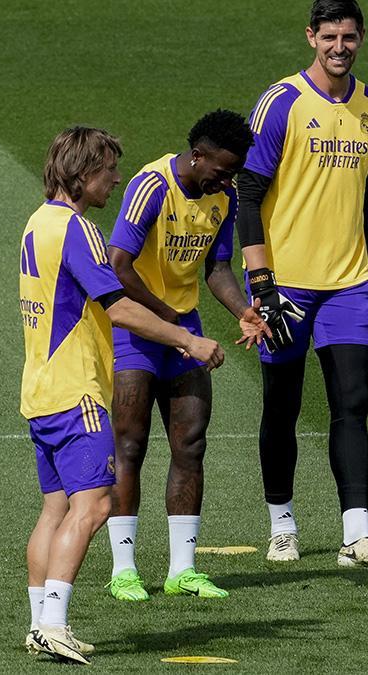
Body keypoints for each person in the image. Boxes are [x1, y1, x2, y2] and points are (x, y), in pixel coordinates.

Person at [21, 127, 223, 663]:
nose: (115, 178)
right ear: (84, 173)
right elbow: (117, 305)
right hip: (76, 391)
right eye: (108, 169)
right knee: (95, 504)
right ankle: (56, 623)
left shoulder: (35, 223)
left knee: (55, 509)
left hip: (39, 390)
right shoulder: (77, 228)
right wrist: (186, 338)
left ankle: (39, 620)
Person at [236, 0, 368, 568]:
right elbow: (249, 194)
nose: (340, 46)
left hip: (348, 284)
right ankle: (281, 524)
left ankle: (355, 535)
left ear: (362, 37)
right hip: (285, 286)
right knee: (281, 405)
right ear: (311, 36)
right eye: (329, 36)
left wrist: (363, 264)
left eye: (349, 36)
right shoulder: (281, 102)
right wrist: (261, 285)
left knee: (352, 402)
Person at [104, 110, 268, 601]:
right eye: (221, 168)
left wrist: (243, 311)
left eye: (234, 171)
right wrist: (165, 317)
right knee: (130, 445)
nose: (228, 178)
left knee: (190, 443)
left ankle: (183, 570)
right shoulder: (151, 186)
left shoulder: (225, 196)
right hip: (139, 327)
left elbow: (216, 267)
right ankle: (124, 570)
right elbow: (118, 265)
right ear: (197, 155)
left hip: (181, 327)